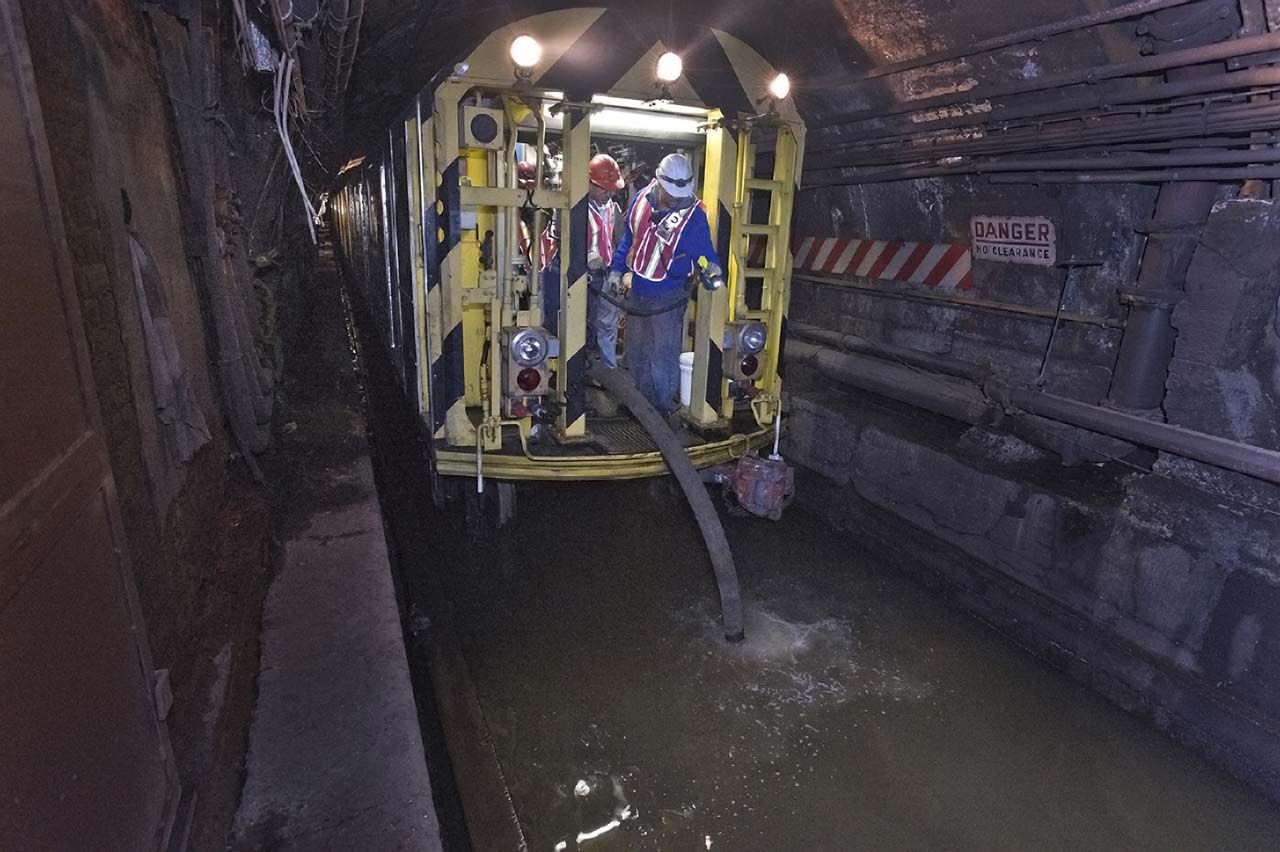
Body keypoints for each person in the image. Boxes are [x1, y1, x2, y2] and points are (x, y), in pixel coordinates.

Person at [608, 153, 723, 413]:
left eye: (679, 195)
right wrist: (616, 269)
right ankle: (639, 404)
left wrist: (711, 270)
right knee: (636, 351)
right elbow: (630, 238)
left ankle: (659, 410)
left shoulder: (693, 217)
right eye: (670, 194)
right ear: (658, 183)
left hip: (668, 297)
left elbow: (703, 255)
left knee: (662, 355)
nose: (675, 199)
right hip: (637, 292)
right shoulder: (641, 201)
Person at [585, 153, 625, 368]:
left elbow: (622, 241)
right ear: (589, 183)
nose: (608, 193)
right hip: (583, 280)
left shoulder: (613, 209)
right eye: (603, 188)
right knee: (584, 326)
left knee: (608, 326)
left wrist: (620, 271)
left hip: (607, 276)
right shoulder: (574, 208)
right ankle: (582, 370)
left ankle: (608, 369)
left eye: (611, 189)